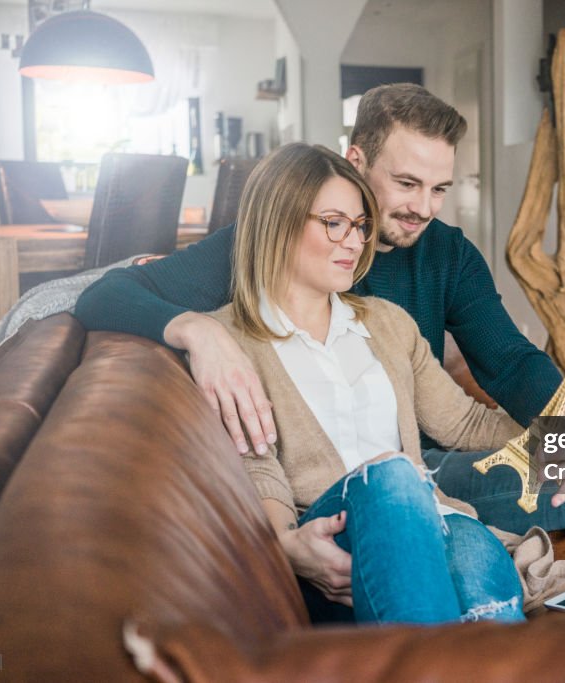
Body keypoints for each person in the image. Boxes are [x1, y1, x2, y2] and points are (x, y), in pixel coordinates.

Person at [74, 83, 565, 597]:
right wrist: (195, 330)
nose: (423, 208)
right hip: (409, 474)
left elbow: (509, 360)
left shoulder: (447, 254)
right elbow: (103, 294)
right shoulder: (284, 238)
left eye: (440, 187)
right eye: (406, 183)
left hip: (444, 457)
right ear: (355, 159)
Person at [208, 141, 525, 624]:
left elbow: (464, 424)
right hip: (333, 529)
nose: (355, 243)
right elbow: (258, 464)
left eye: (359, 226)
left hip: (436, 516)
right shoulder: (230, 338)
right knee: (394, 473)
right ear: (279, 221)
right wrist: (283, 543)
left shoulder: (386, 322)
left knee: (489, 613)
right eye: (334, 223)